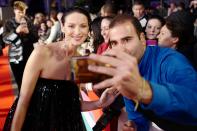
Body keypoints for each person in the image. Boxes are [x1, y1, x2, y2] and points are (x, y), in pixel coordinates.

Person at [3, 7, 118, 131]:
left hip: (67, 124)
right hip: (37, 124)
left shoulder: (82, 61)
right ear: (62, 27)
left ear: (88, 28)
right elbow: (23, 102)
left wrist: (100, 103)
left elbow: (73, 104)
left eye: (83, 26)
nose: (78, 31)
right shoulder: (42, 53)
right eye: (71, 26)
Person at [88, 14, 197, 131]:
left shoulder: (171, 61)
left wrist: (144, 90)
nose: (121, 49)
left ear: (142, 39)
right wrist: (134, 126)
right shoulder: (126, 71)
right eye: (114, 43)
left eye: (126, 40)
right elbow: (137, 117)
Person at [2, 1, 38, 90]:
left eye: (23, 11)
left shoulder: (29, 22)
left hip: (29, 55)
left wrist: (28, 33)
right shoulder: (8, 22)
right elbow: (5, 39)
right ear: (14, 11)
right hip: (15, 56)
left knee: (31, 81)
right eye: (19, 11)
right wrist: (16, 32)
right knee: (20, 82)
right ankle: (22, 101)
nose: (21, 14)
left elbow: (35, 38)